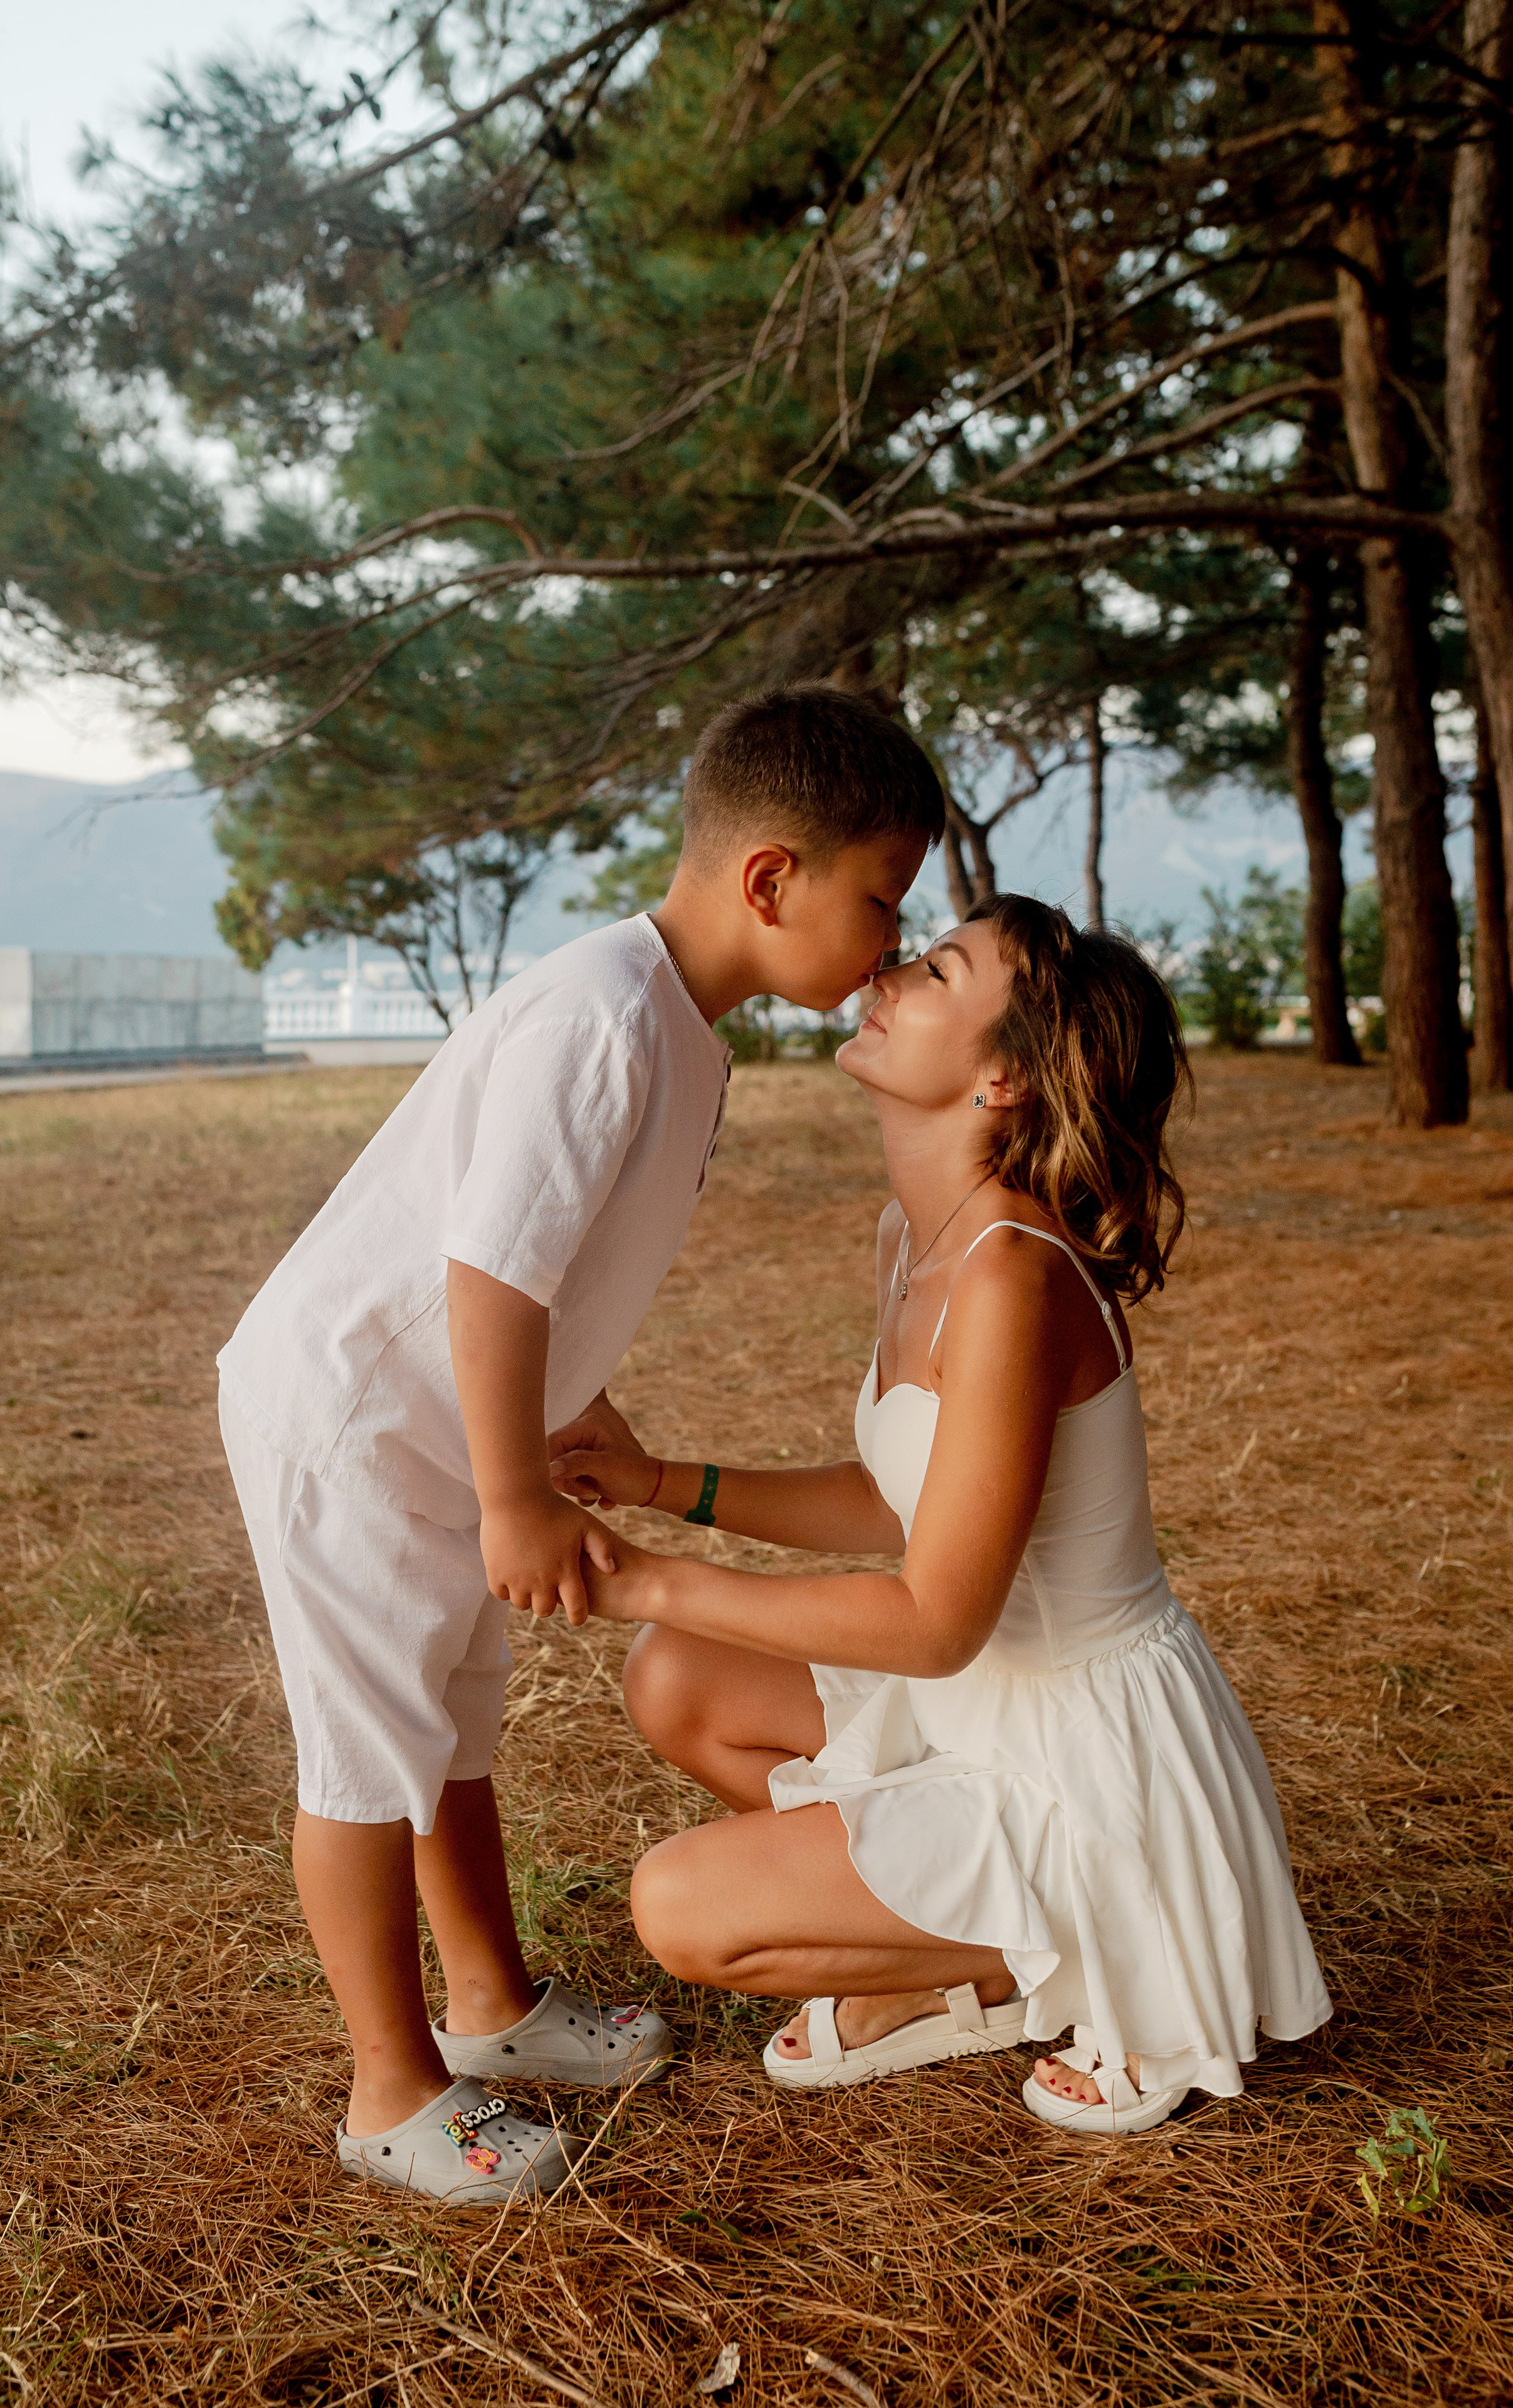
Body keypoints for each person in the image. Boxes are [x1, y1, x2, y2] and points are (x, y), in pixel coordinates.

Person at [217, 684, 946, 2202]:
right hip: (352, 1418)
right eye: (878, 896)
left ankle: (485, 2005)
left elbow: (549, 1267)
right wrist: (506, 1488)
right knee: (366, 1751)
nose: (888, 936)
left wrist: (558, 1422)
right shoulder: (604, 1011)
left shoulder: (681, 1029)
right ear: (771, 878)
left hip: (443, 1423)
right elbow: (486, 1267)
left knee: (452, 1719)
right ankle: (387, 2083)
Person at [551, 896, 1332, 2136]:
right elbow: (886, 1499)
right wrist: (659, 1482)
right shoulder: (918, 1241)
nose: (887, 970)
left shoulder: (1013, 1277)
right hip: (974, 1702)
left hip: (1079, 1751)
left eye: (934, 969)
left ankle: (1055, 1943)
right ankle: (961, 1952)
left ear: (1005, 1075)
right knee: (675, 1682)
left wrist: (642, 1575)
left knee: (677, 1906)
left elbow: (931, 1620)